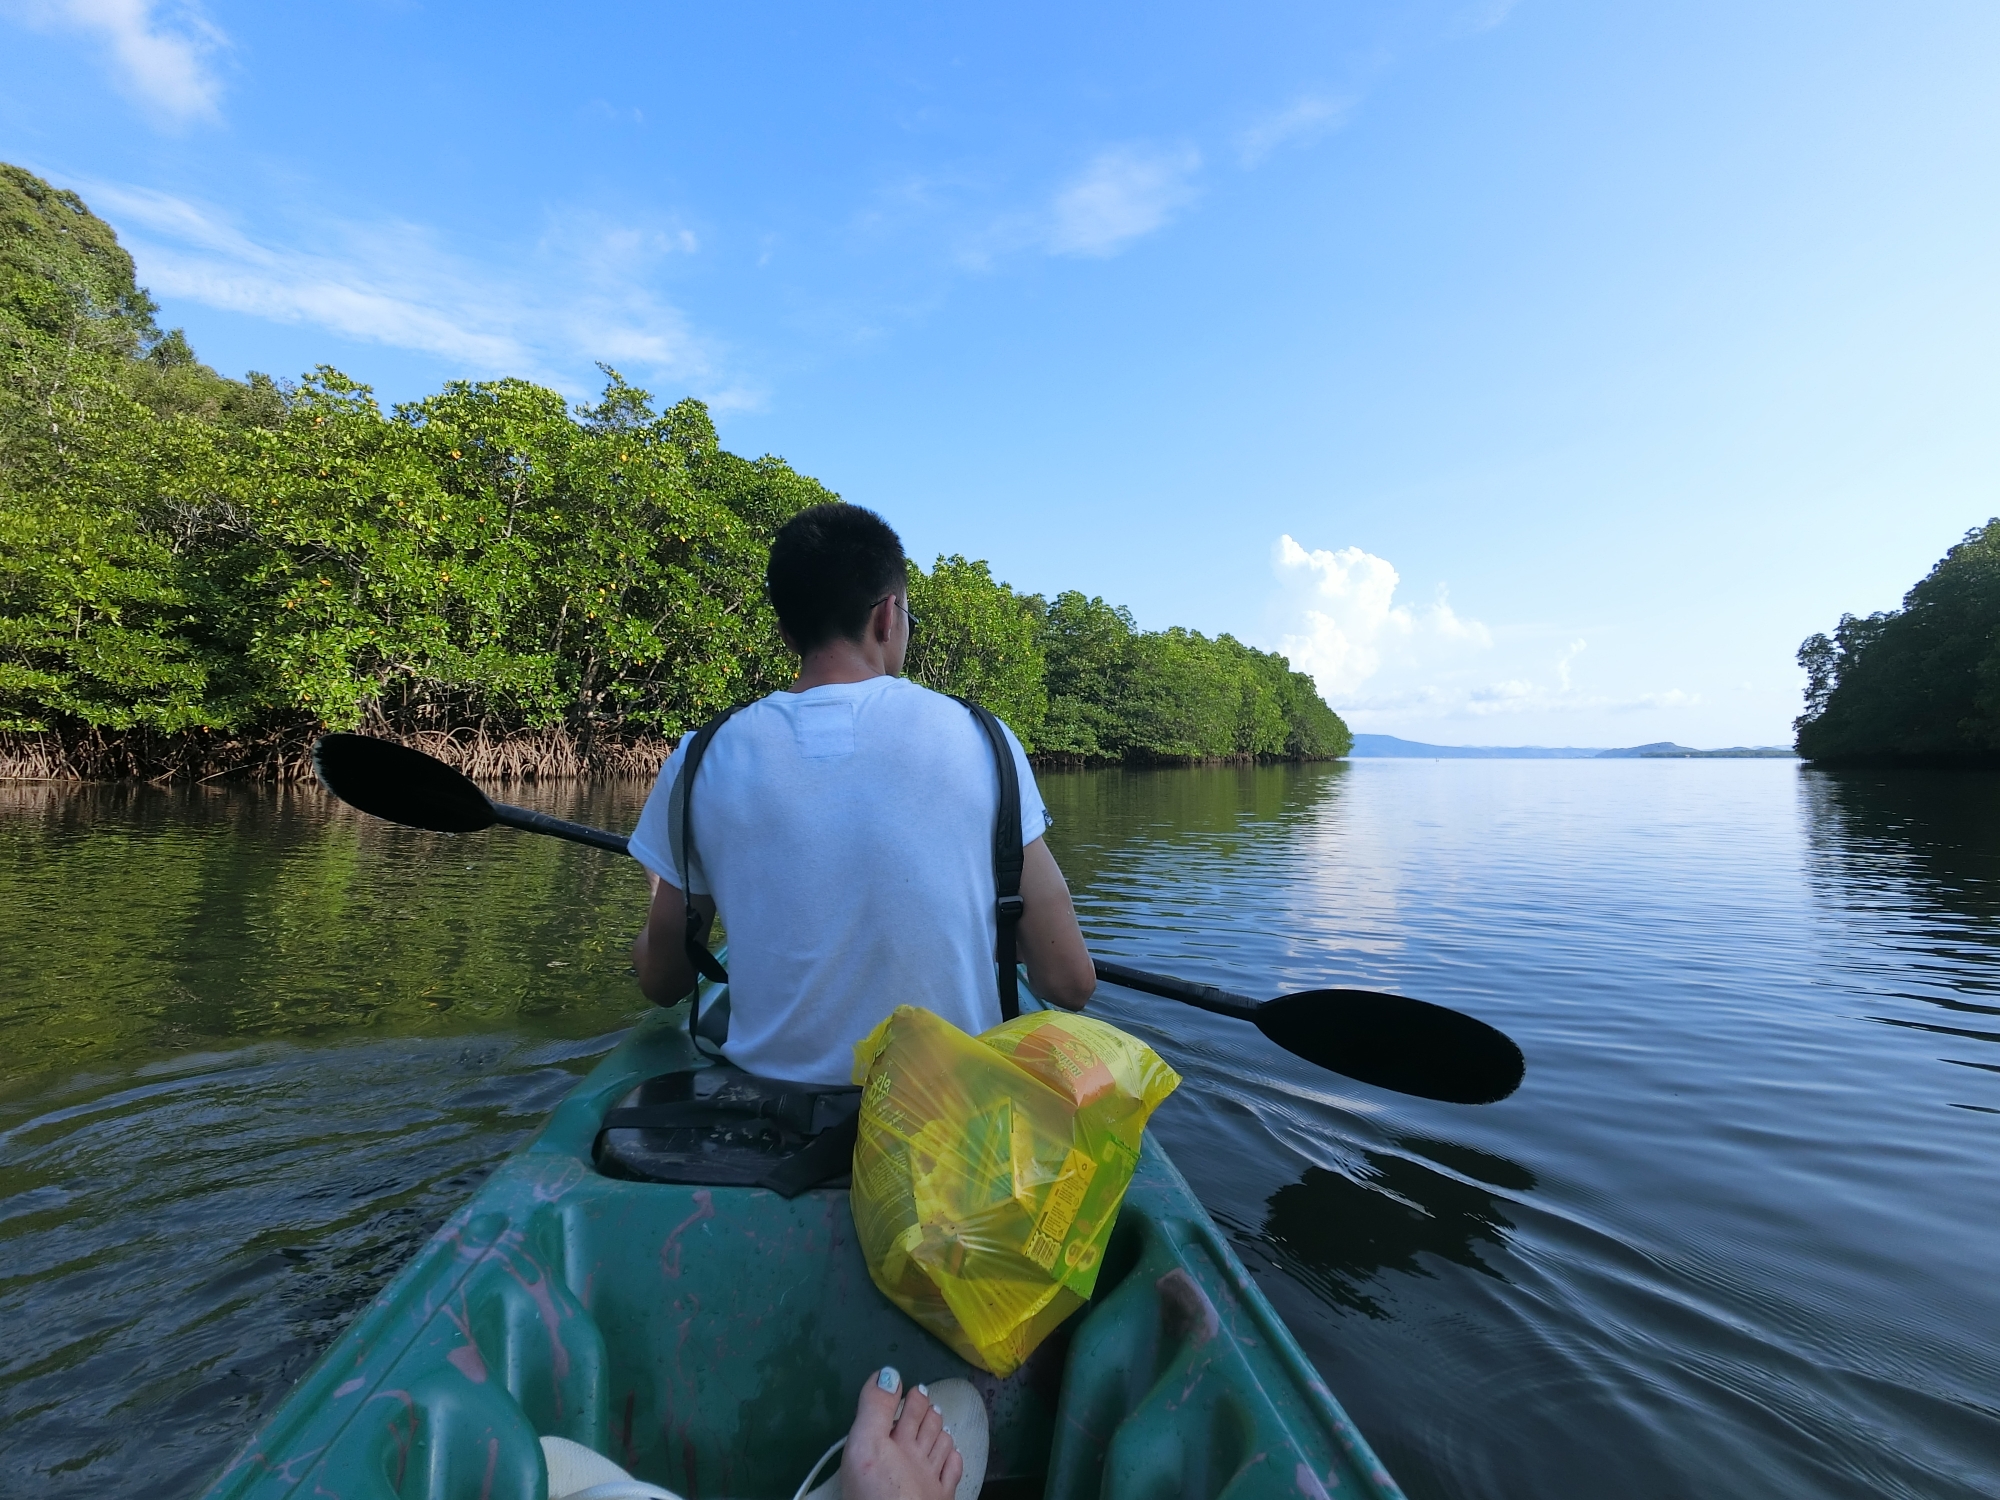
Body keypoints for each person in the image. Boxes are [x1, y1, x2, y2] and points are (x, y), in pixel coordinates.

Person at [627, 503, 1096, 1086]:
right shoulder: (983, 739)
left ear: (787, 631)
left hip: (772, 1111)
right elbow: (1069, 982)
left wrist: (663, 891)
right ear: (887, 616)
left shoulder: (699, 758)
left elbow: (663, 982)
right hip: (942, 1123)